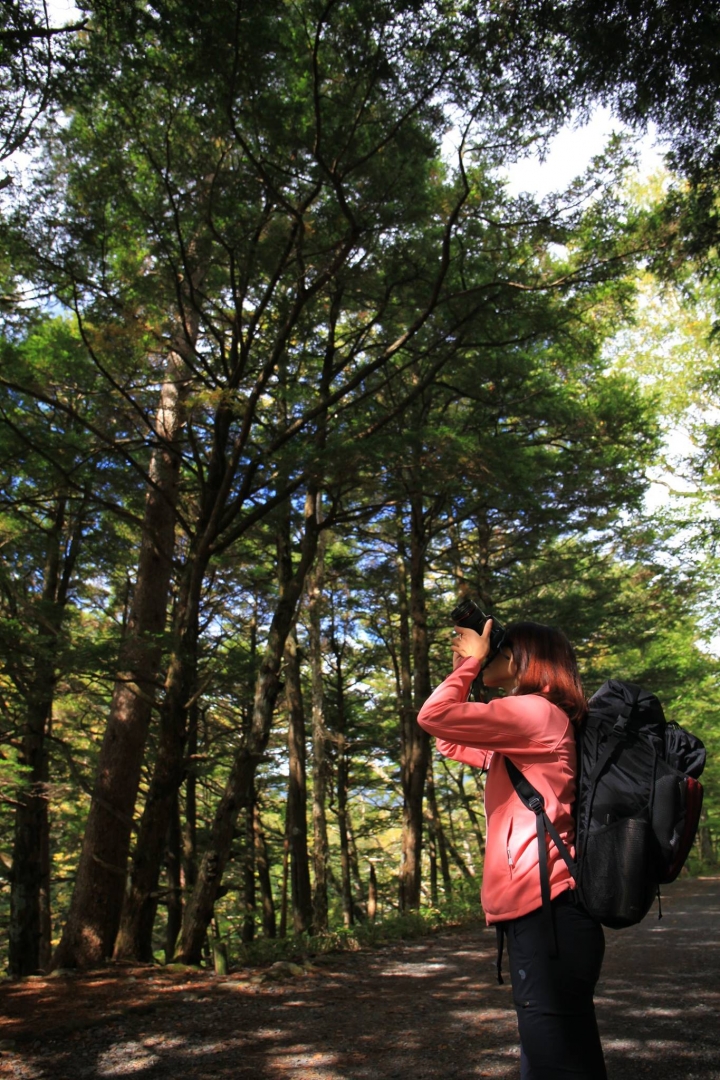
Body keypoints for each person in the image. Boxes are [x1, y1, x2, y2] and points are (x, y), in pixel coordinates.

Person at [417, 617, 607, 1080]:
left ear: (524, 659)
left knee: (552, 1062)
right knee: (562, 1057)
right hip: (550, 917)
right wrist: (466, 663)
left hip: (548, 918)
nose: (492, 654)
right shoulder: (527, 730)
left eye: (500, 648)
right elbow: (448, 739)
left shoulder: (534, 713)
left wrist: (470, 665)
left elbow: (431, 716)